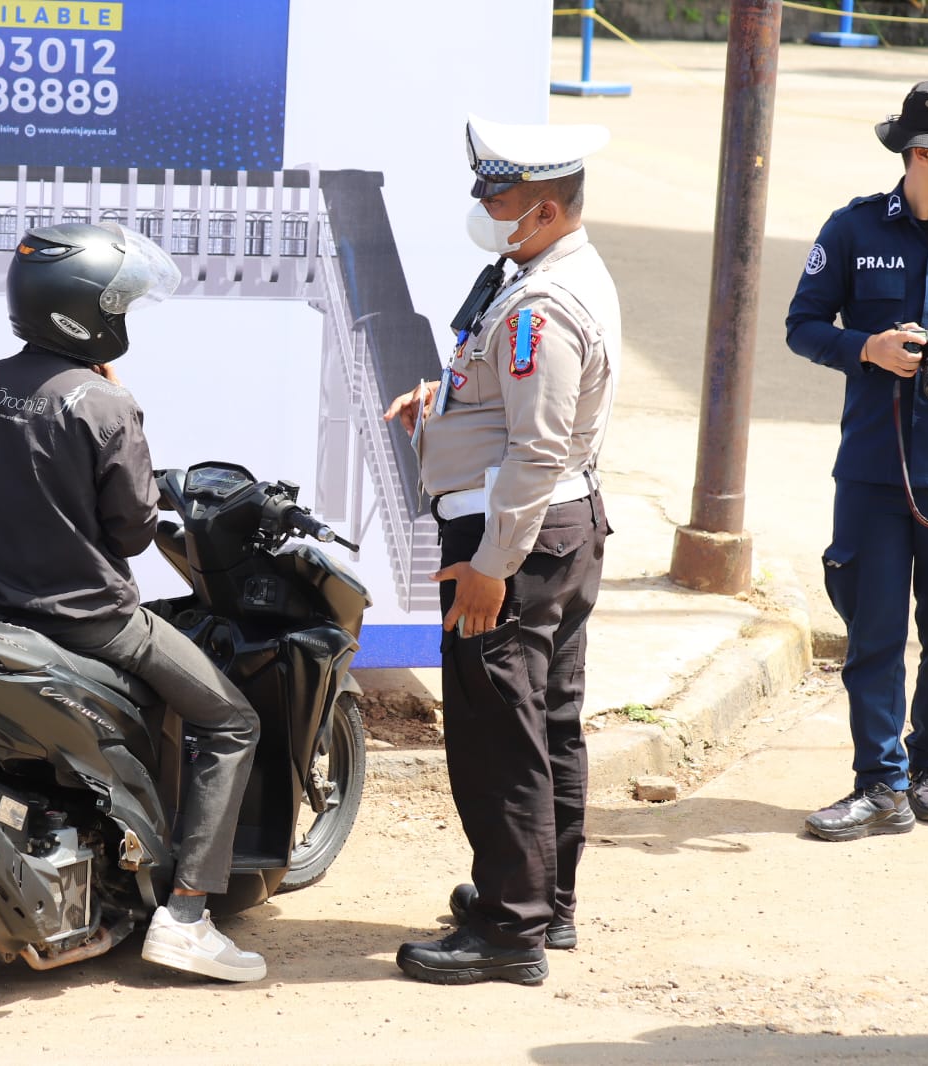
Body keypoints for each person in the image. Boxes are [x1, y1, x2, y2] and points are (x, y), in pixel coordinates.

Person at [0, 220, 266, 982]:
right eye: (116, 304)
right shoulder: (103, 405)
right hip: (93, 622)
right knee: (232, 719)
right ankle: (187, 915)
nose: (122, 316)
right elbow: (131, 531)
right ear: (82, 313)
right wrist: (122, 408)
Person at [381, 114, 620, 986]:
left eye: (499, 198)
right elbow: (520, 410)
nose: (484, 209)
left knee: (497, 735)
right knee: (546, 721)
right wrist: (445, 403)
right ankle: (545, 904)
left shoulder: (541, 306)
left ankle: (509, 929)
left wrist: (490, 566)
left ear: (546, 210)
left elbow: (538, 446)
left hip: (512, 535)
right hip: (554, 528)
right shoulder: (550, 274)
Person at [786, 80, 928, 842]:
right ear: (923, 154)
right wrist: (867, 349)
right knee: (874, 632)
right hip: (874, 470)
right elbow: (803, 325)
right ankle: (881, 784)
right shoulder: (853, 229)